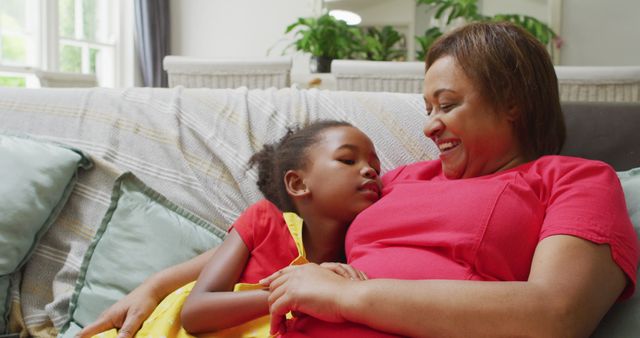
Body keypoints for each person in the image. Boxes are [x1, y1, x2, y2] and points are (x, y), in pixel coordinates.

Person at [79, 22, 639, 338]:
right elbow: (282, 233)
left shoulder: (573, 180)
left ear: (512, 102)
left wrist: (349, 296)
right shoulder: (398, 181)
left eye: (447, 105)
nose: (429, 125)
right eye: (427, 106)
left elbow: (555, 315)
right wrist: (155, 287)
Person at [84, 120, 381, 337]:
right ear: (298, 183)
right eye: (347, 160)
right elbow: (195, 312)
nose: (370, 171)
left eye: (376, 168)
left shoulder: (360, 255)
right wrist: (293, 292)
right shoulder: (264, 222)